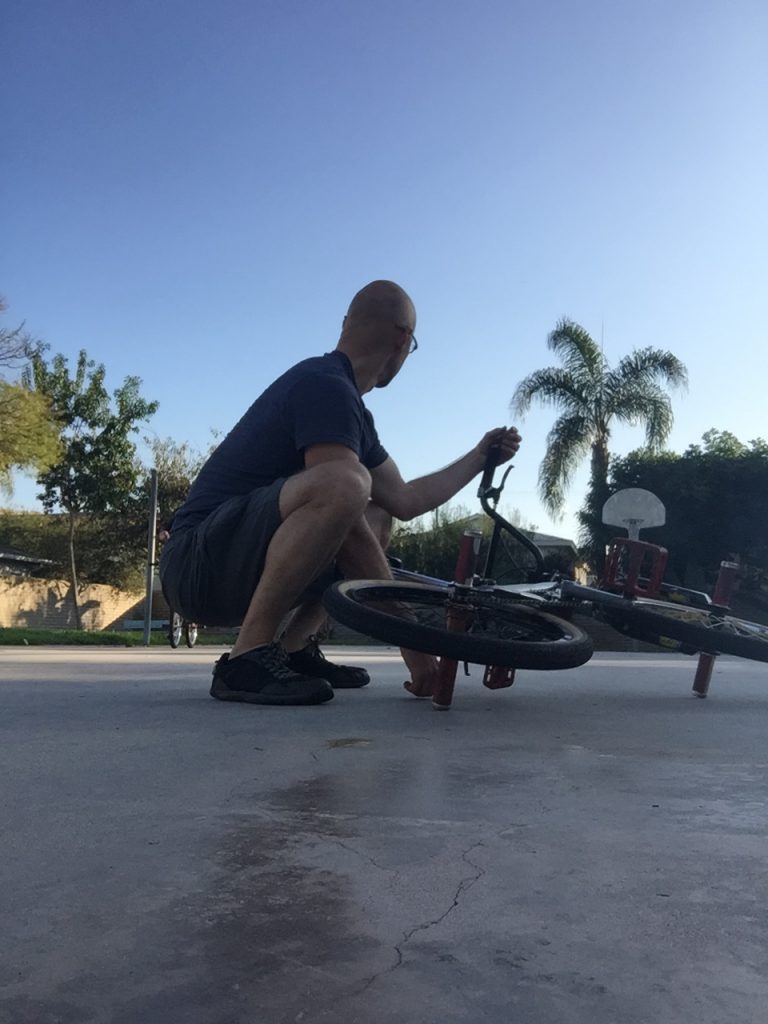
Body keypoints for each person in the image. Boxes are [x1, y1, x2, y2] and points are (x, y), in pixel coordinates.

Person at [160, 280, 521, 706]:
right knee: (346, 485)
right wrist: (416, 648)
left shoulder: (347, 404)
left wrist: (479, 457)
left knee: (377, 513)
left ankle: (294, 648)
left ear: (347, 325)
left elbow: (404, 501)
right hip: (196, 567)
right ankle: (247, 657)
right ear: (404, 339)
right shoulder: (324, 384)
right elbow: (342, 500)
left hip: (230, 564)